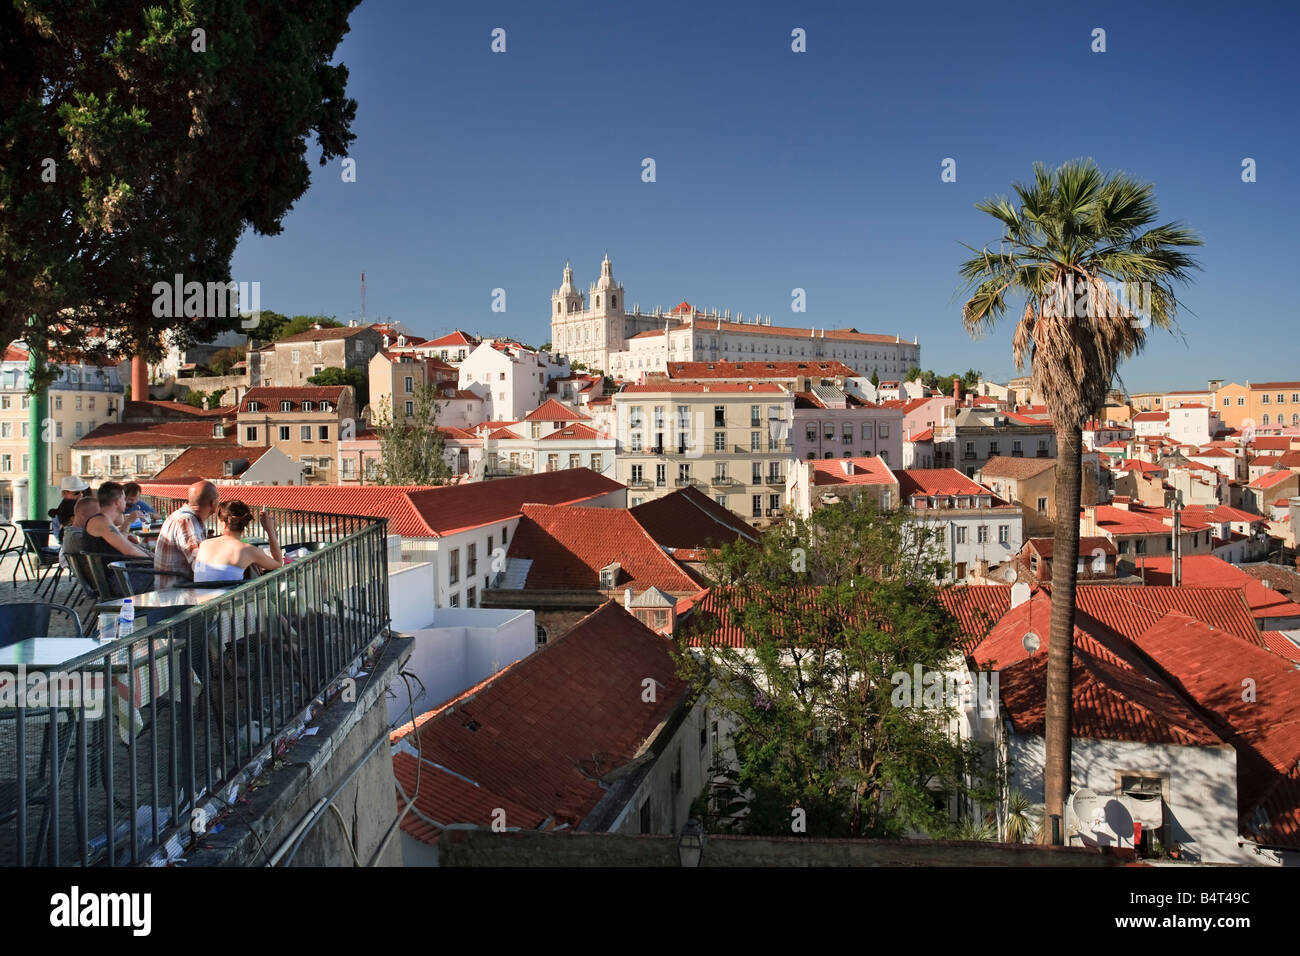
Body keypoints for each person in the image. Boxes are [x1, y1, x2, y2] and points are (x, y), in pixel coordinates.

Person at [193, 500, 282, 583]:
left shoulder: (204, 544)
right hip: (228, 595)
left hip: (199, 594)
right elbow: (278, 564)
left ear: (223, 524)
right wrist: (270, 530)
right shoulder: (248, 550)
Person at [154, 480, 219, 587]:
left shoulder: (181, 516)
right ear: (213, 503)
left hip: (171, 585)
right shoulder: (187, 521)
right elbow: (200, 565)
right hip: (177, 590)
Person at [78, 481, 151, 559]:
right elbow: (130, 550)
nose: (125, 502)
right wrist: (153, 559)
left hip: (118, 564)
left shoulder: (103, 520)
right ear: (117, 502)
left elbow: (122, 540)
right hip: (116, 566)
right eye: (124, 499)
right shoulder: (101, 522)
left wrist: (128, 522)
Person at [48, 475, 89, 540]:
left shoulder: (58, 511)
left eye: (82, 492)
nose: (81, 495)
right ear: (64, 493)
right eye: (76, 493)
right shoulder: (62, 512)